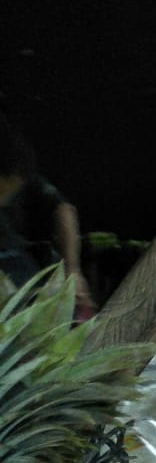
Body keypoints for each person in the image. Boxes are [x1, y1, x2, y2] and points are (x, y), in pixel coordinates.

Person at [0, 114, 88, 315]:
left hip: (25, 278)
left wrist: (73, 270)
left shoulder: (20, 172)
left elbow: (63, 209)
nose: (5, 199)